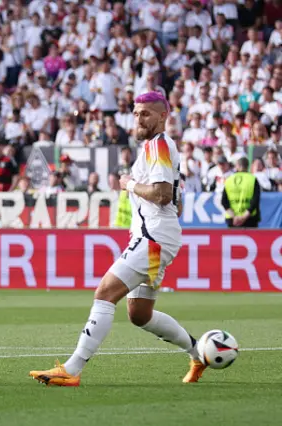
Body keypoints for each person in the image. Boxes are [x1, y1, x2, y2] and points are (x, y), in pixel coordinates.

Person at [29, 92, 204, 387]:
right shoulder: (157, 148)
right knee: (139, 315)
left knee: (105, 292)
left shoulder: (160, 145)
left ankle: (72, 369)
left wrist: (130, 184)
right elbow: (176, 199)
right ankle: (199, 353)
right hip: (156, 236)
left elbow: (161, 195)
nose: (139, 119)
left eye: (146, 113)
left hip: (153, 237)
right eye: (136, 113)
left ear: (163, 116)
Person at [222, 157, 261, 228]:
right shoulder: (252, 179)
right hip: (250, 219)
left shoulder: (229, 180)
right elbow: (255, 200)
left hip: (233, 220)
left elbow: (224, 201)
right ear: (247, 166)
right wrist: (243, 217)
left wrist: (235, 217)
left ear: (237, 166)